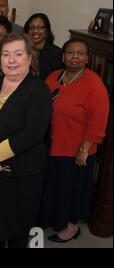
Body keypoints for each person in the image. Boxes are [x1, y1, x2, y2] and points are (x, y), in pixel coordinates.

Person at [0, 33, 52, 248]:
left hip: (21, 178)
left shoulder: (39, 90)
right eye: (6, 54)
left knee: (18, 235)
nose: (11, 60)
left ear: (30, 58)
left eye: (18, 54)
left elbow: (32, 133)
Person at [40, 39, 109, 243]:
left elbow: (98, 122)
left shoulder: (94, 84)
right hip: (52, 144)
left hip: (76, 150)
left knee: (71, 191)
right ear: (63, 56)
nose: (75, 57)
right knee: (53, 187)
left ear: (87, 58)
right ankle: (53, 219)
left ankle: (71, 227)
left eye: (80, 54)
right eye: (70, 52)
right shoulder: (54, 77)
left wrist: (84, 149)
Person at [24, 13, 63, 80]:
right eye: (31, 28)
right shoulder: (23, 51)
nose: (35, 31)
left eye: (40, 28)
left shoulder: (56, 54)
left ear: (47, 31)